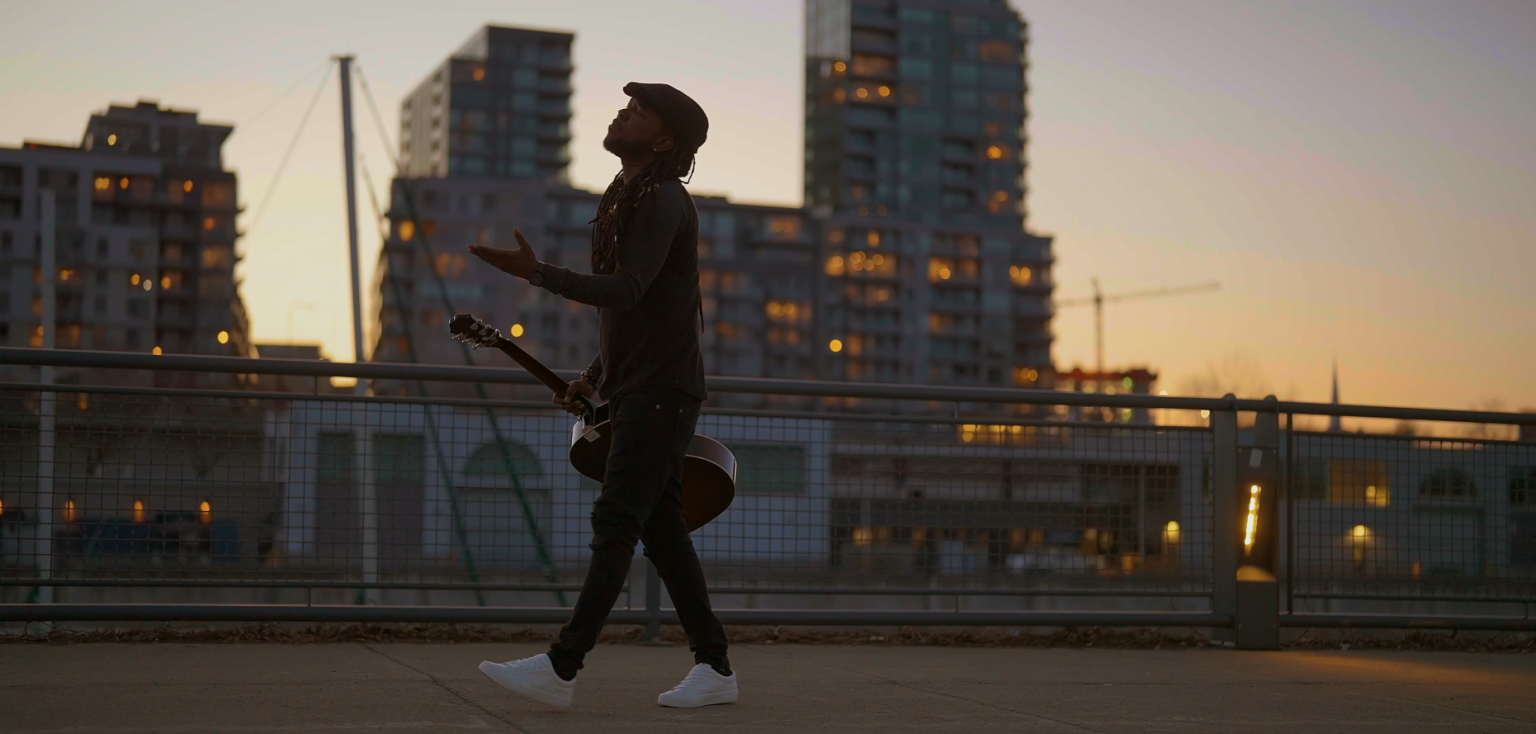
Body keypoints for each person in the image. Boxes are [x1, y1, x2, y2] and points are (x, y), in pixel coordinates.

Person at [465, 82, 736, 710]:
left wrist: (537, 274)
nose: (622, 112)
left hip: (662, 391)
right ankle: (716, 669)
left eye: (638, 112)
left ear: (664, 139)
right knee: (663, 534)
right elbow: (637, 313)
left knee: (617, 522)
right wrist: (595, 372)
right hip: (646, 385)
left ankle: (561, 667)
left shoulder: (665, 198)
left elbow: (628, 290)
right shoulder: (630, 196)